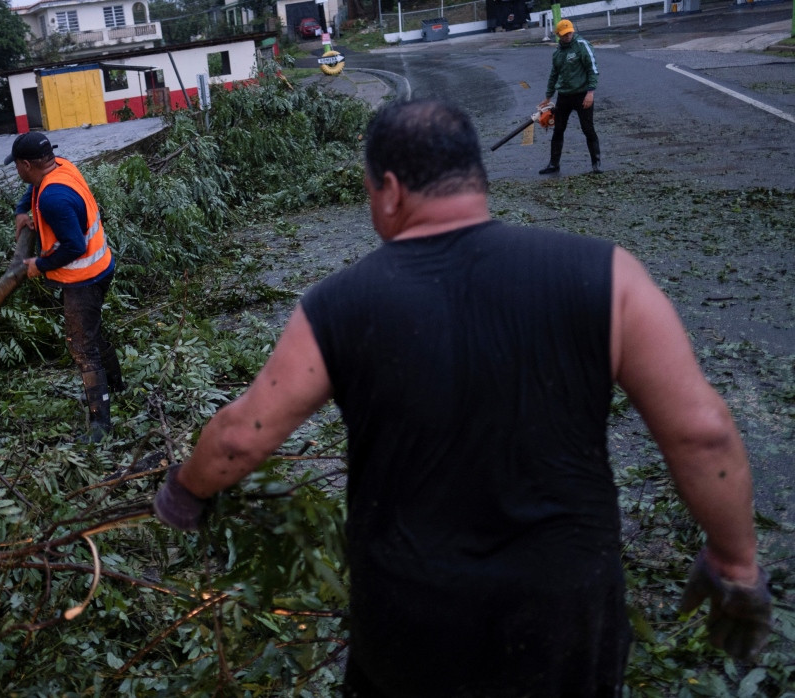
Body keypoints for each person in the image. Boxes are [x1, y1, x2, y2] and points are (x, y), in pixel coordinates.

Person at [154, 99, 771, 696]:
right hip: (566, 620)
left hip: (412, 627)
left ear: (389, 189)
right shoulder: (608, 275)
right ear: (475, 178)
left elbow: (241, 437)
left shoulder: (339, 305)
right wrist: (736, 563)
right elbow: (702, 431)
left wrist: (186, 492)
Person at [6, 131, 124, 443]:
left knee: (81, 345)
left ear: (28, 164)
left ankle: (101, 426)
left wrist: (38, 265)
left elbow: (73, 245)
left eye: (17, 165)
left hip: (84, 279)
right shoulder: (61, 166)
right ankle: (118, 386)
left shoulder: (53, 199)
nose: (17, 171)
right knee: (93, 334)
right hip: (101, 266)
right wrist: (22, 210)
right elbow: (34, 190)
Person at [540, 19, 602, 175]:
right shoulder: (558, 53)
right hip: (564, 96)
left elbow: (592, 69)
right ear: (558, 35)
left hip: (582, 95)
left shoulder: (582, 46)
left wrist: (590, 92)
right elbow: (554, 75)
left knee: (588, 129)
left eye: (569, 32)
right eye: (564, 34)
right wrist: (548, 97)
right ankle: (554, 164)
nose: (567, 36)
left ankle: (596, 163)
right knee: (558, 129)